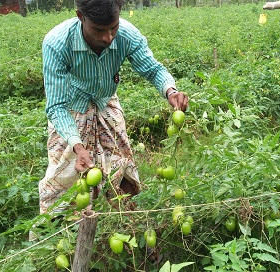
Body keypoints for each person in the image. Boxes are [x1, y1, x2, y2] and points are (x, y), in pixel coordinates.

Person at [38, 0, 188, 216]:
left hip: (106, 101)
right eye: (99, 30)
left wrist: (170, 91)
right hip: (71, 109)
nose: (108, 37)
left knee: (121, 171)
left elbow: (153, 70)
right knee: (64, 181)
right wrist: (77, 146)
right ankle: (59, 239)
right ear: (81, 17)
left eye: (113, 28)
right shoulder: (57, 42)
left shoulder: (127, 35)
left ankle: (125, 226)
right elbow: (57, 107)